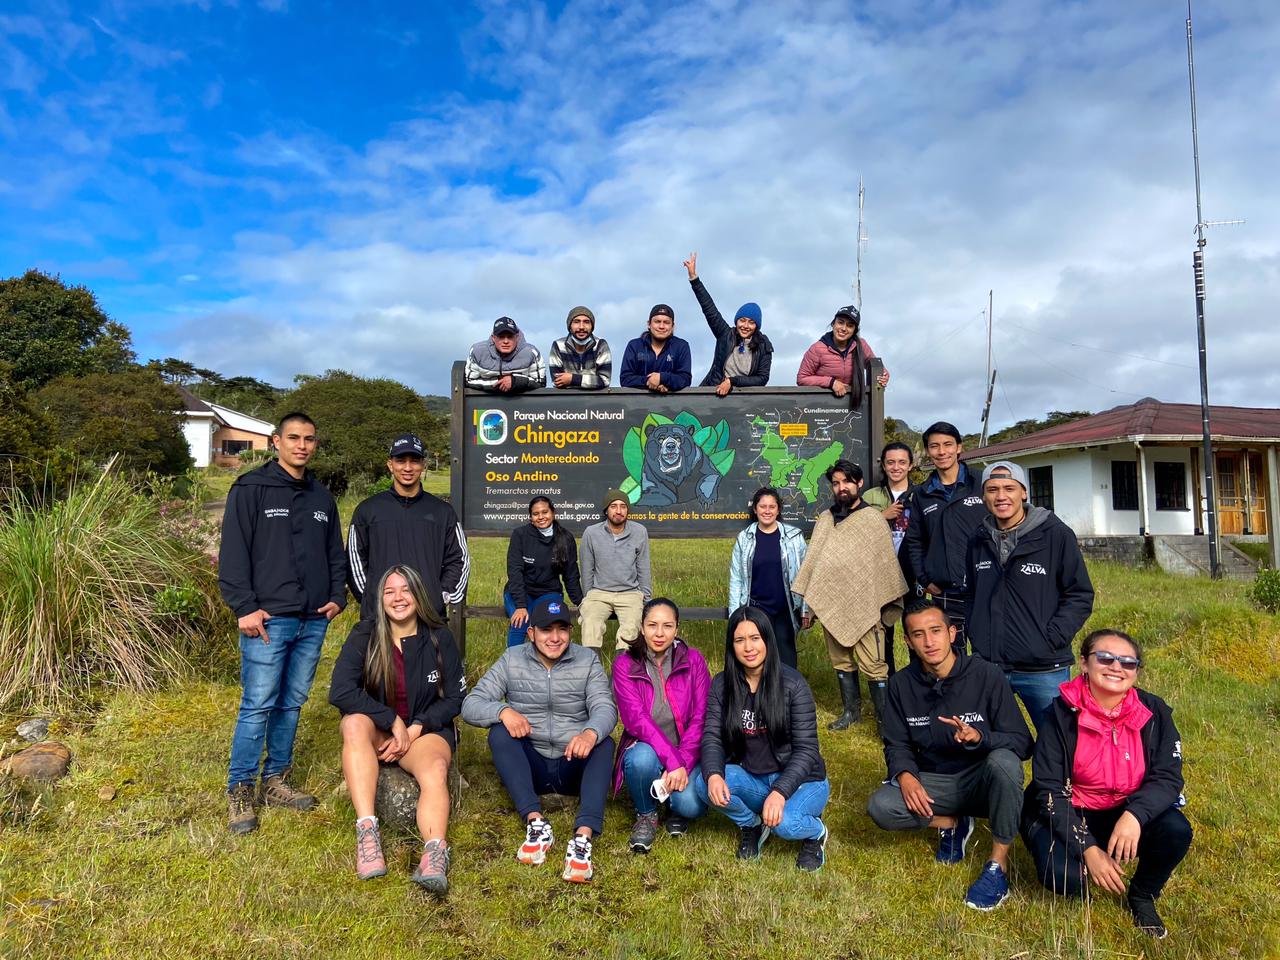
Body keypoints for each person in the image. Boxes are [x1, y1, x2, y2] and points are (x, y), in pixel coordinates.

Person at [218, 411, 346, 835]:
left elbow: (334, 554)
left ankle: (276, 779)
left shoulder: (321, 499)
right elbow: (234, 554)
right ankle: (240, 787)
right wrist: (244, 607)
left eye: (309, 439)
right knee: (258, 702)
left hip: (312, 619)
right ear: (276, 442)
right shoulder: (251, 489)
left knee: (292, 702)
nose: (302, 446)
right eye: (294, 438)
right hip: (267, 619)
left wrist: (336, 597)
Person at [1021, 629, 1192, 939]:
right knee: (1066, 878)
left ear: (1137, 672)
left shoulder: (1155, 712)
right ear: (1085, 664)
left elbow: (1168, 777)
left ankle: (1142, 895)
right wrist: (1087, 847)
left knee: (1177, 831)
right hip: (1072, 808)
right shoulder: (1059, 714)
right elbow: (1049, 789)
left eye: (1128, 662)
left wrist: (1135, 816)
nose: (1117, 667)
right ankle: (1081, 864)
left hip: (1125, 808)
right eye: (1106, 658)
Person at [867, 604, 1033, 912]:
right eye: (919, 634)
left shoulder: (986, 675)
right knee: (880, 806)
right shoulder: (901, 684)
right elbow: (896, 743)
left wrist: (981, 738)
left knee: (1005, 763)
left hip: (981, 781)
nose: (929, 642)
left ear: (951, 633)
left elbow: (1023, 743)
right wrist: (906, 776)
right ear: (907, 641)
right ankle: (951, 824)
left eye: (936, 631)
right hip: (934, 783)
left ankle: (998, 866)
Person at [461, 596, 618, 884]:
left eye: (562, 629)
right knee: (499, 732)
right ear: (531, 633)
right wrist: (503, 710)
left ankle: (582, 839)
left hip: (573, 763)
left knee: (604, 742)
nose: (555, 638)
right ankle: (535, 822)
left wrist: (589, 732)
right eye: (546, 630)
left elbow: (605, 708)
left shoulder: (587, 660)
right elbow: (471, 704)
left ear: (571, 631)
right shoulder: (512, 659)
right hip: (531, 765)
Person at [328, 566, 464, 893]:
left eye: (406, 590)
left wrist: (417, 726)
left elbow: (456, 699)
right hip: (381, 729)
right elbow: (341, 691)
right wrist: (390, 719)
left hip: (424, 733)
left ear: (418, 594)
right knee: (352, 723)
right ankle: (368, 832)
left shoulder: (439, 636)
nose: (398, 598)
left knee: (433, 769)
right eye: (390, 591)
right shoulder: (366, 634)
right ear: (380, 598)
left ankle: (434, 852)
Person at [694, 606, 831, 870]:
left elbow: (807, 750)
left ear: (767, 639)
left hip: (804, 781)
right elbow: (712, 736)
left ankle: (815, 832)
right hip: (755, 778)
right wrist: (713, 774)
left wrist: (780, 792)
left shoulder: (793, 684)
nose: (748, 647)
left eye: (755, 638)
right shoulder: (722, 684)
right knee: (703, 783)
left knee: (785, 824)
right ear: (731, 645)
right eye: (740, 640)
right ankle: (751, 824)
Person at [966, 460, 1095, 732]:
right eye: (992, 490)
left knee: (1057, 741)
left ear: (1024, 492)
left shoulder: (1056, 535)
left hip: (1043, 668)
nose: (1001, 496)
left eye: (1009, 488)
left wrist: (1051, 638)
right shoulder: (978, 539)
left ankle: (1052, 778)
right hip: (990, 665)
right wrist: (975, 634)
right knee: (990, 741)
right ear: (983, 496)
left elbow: (1079, 594)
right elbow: (972, 595)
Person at [792, 459, 906, 732]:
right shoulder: (826, 519)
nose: (841, 487)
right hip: (832, 602)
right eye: (836, 483)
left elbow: (884, 565)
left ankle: (884, 721)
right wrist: (809, 607)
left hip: (865, 603)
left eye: (847, 482)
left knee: (874, 664)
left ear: (859, 484)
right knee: (840, 660)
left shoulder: (872, 520)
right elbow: (815, 563)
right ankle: (850, 713)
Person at [612, 598, 711, 852]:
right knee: (641, 761)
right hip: (648, 746)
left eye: (667, 626)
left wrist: (683, 761)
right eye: (652, 625)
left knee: (692, 806)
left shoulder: (694, 661)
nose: (659, 633)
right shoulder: (625, 664)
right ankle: (646, 814)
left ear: (677, 629)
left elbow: (701, 717)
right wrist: (673, 762)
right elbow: (636, 720)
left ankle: (675, 806)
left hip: (687, 749)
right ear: (642, 627)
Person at [346, 432, 470, 620]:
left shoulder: (443, 512)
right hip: (379, 620)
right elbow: (354, 561)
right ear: (390, 465)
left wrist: (440, 596)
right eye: (401, 461)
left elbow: (459, 559)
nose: (408, 467)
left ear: (424, 465)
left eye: (414, 461)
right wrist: (374, 599)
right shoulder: (367, 510)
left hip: (428, 619)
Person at [902, 421, 986, 646]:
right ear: (928, 451)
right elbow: (915, 540)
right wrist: (924, 578)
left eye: (948, 444)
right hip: (945, 591)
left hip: (985, 587)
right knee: (951, 659)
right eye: (934, 446)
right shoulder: (922, 494)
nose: (942, 451)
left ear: (959, 447)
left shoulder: (982, 482)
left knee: (988, 657)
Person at [728, 487, 808, 669]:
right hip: (756, 609)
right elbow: (736, 578)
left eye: (772, 507)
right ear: (755, 509)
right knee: (758, 662)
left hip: (785, 610)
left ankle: (787, 696)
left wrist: (805, 609)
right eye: (762, 506)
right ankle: (760, 696)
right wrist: (735, 615)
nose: (767, 511)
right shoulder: (744, 538)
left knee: (787, 662)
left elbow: (806, 574)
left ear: (778, 510)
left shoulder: (794, 537)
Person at [861, 442, 916, 675]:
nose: (896, 467)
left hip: (913, 572)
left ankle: (919, 681)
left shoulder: (921, 494)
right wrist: (881, 516)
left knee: (915, 629)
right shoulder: (870, 496)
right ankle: (890, 685)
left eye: (902, 462)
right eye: (891, 462)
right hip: (880, 573)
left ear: (911, 465)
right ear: (883, 465)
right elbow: (858, 531)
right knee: (885, 633)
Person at [683, 252, 773, 394]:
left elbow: (762, 378)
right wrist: (694, 279)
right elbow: (709, 309)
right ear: (736, 321)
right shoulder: (726, 334)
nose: (745, 325)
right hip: (713, 391)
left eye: (751, 322)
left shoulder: (764, 345)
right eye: (742, 320)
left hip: (744, 398)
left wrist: (732, 381)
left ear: (757, 326)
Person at [503, 496, 583, 648]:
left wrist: (580, 602)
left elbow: (570, 575)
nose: (541, 517)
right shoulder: (520, 535)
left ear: (553, 512)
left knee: (550, 624)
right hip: (520, 591)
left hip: (549, 592)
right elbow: (515, 571)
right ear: (531, 517)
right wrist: (520, 605)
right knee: (521, 622)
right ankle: (513, 666)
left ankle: (546, 665)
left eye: (545, 512)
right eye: (535, 514)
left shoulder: (565, 538)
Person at [579, 489, 652, 653]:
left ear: (627, 510)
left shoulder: (639, 532)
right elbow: (586, 569)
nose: (618, 511)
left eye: (623, 506)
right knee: (590, 624)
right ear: (606, 510)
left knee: (630, 630)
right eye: (613, 506)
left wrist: (646, 599)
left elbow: (643, 568)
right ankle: (593, 673)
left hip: (630, 593)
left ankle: (622, 674)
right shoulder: (591, 533)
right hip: (599, 593)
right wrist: (589, 594)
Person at [796, 305, 890, 402]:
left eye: (850, 325)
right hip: (821, 405)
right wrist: (831, 382)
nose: (844, 328)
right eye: (840, 323)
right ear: (833, 324)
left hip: (852, 406)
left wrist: (883, 374)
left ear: (854, 330)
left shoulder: (861, 345)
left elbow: (875, 365)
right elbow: (802, 378)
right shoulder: (817, 349)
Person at [618, 304, 693, 393]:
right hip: (638, 404)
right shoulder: (634, 346)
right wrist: (649, 381)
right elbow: (625, 379)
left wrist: (662, 378)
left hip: (671, 404)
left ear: (672, 327)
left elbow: (685, 379)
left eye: (666, 322)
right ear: (649, 324)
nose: (661, 326)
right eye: (657, 321)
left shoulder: (681, 346)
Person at [464, 317, 545, 393]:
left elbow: (540, 382)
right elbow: (469, 381)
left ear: (517, 337)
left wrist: (515, 381)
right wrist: (499, 383)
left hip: (523, 404)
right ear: (493, 338)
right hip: (485, 404)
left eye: (510, 337)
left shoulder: (531, 352)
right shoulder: (477, 351)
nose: (506, 341)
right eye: (501, 337)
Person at [548, 306, 612, 390]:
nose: (581, 327)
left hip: (595, 400)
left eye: (586, 322)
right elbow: (557, 382)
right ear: (570, 326)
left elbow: (604, 381)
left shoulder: (600, 345)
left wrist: (572, 379)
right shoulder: (558, 346)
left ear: (592, 326)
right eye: (576, 322)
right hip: (566, 400)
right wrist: (592, 381)